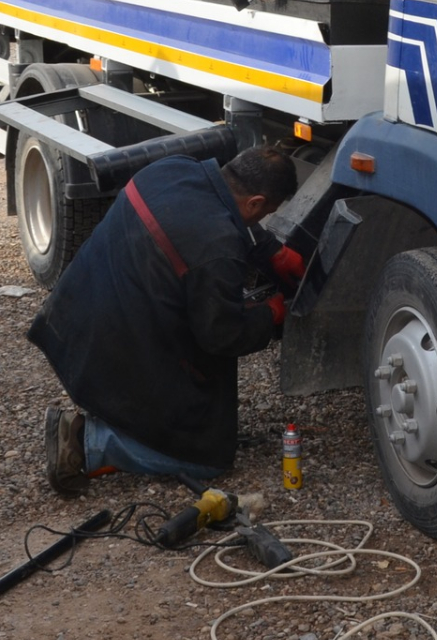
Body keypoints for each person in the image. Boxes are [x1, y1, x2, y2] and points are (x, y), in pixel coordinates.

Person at [28, 145, 301, 492]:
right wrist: (270, 314)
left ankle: (117, 417)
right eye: (265, 213)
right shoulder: (217, 248)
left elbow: (221, 212)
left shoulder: (174, 168)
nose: (259, 221)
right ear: (256, 202)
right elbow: (222, 335)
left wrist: (270, 249)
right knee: (206, 460)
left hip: (73, 321)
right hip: (113, 349)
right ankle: (87, 440)